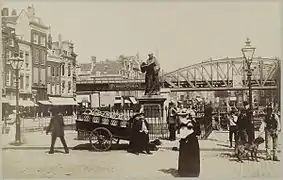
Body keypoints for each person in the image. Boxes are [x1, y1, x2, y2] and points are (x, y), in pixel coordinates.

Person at [177, 111, 201, 177]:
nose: (193, 117)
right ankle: (188, 171)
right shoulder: (186, 123)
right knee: (188, 156)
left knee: (191, 156)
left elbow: (198, 132)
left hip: (191, 141)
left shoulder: (193, 123)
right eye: (192, 116)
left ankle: (190, 171)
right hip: (188, 140)